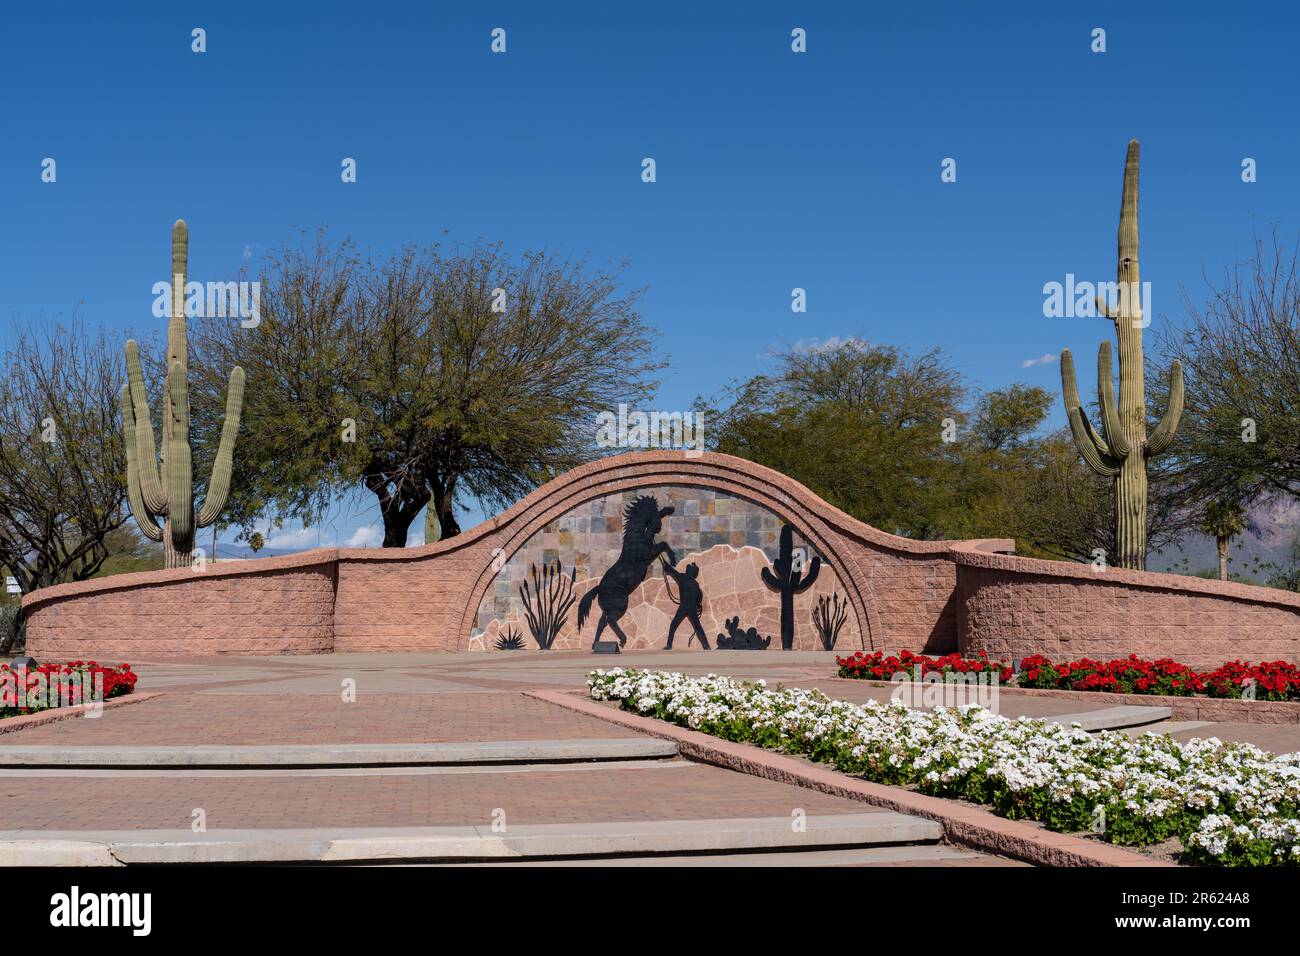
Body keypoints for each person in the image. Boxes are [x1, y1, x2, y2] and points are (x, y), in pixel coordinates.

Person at [660, 559, 710, 650]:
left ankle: (669, 645)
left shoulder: (683, 577)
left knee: (673, 625)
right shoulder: (695, 583)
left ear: (689, 571)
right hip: (692, 608)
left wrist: (665, 564)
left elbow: (673, 572)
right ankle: (706, 646)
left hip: (683, 607)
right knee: (698, 627)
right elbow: (699, 596)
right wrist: (698, 605)